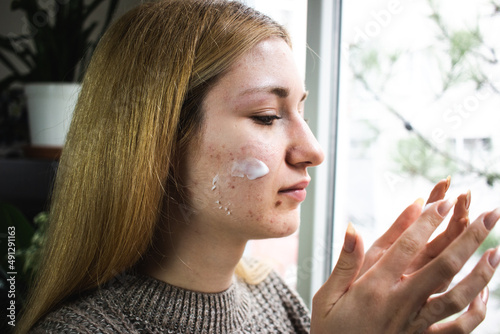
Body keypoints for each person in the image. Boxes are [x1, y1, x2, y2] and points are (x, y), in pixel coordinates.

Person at [18, 0, 499, 333]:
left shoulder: (275, 300)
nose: (312, 149)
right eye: (267, 117)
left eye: (302, 112)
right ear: (158, 142)